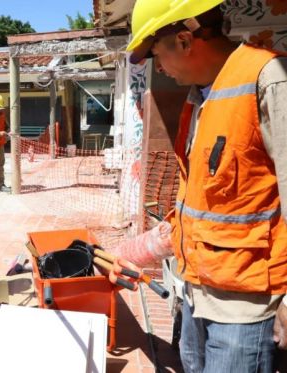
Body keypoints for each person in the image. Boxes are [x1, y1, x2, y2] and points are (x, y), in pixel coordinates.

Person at [115, 0, 287, 371]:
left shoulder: (266, 78)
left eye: (157, 54)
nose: (158, 67)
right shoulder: (199, 98)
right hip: (195, 289)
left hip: (244, 305)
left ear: (184, 39)